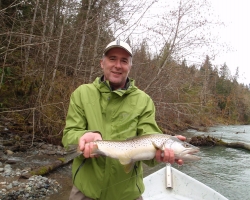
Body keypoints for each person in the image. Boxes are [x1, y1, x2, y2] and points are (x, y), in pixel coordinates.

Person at [62, 40, 185, 200]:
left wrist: (159, 156)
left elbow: (150, 137)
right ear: (102, 63)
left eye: (124, 61)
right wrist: (82, 137)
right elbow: (68, 136)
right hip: (86, 191)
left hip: (128, 194)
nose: (118, 65)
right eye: (112, 58)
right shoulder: (81, 93)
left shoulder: (144, 100)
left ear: (130, 66)